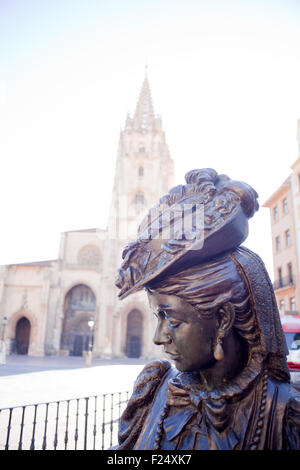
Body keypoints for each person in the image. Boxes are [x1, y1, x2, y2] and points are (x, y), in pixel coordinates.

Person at [114, 168, 300, 450]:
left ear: (223, 319)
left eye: (172, 319)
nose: (158, 337)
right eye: (157, 316)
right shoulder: (153, 392)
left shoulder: (284, 416)